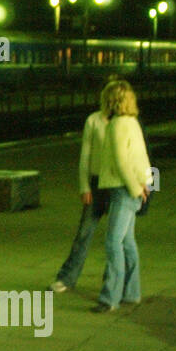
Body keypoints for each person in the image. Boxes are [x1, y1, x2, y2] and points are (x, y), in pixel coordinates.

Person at [50, 79, 124, 294]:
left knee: (118, 239)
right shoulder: (93, 120)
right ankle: (67, 277)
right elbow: (85, 155)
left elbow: (142, 156)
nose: (113, 102)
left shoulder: (129, 122)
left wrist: (150, 186)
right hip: (97, 183)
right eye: (110, 97)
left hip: (119, 186)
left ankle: (114, 282)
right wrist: (84, 186)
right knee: (84, 232)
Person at [93, 81, 151, 313]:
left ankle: (110, 298)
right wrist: (145, 184)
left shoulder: (117, 125)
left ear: (111, 101)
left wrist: (135, 188)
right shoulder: (132, 122)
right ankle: (131, 292)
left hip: (123, 188)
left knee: (113, 242)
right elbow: (140, 157)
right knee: (127, 242)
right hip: (135, 186)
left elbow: (122, 160)